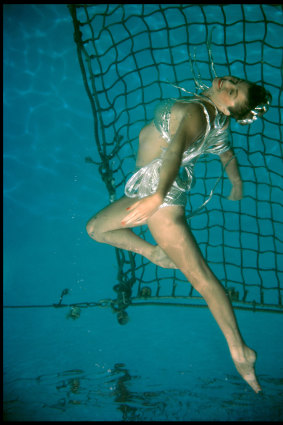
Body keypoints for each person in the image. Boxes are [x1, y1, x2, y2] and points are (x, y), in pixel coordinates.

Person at [86, 75, 271, 393]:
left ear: (228, 109)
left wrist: (157, 197)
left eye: (232, 93)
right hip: (152, 187)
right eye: (234, 83)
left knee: (203, 281)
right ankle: (154, 253)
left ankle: (241, 352)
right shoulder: (216, 118)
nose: (227, 85)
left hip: (161, 196)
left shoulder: (198, 114)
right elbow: (226, 153)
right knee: (96, 228)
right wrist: (235, 182)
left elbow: (173, 154)